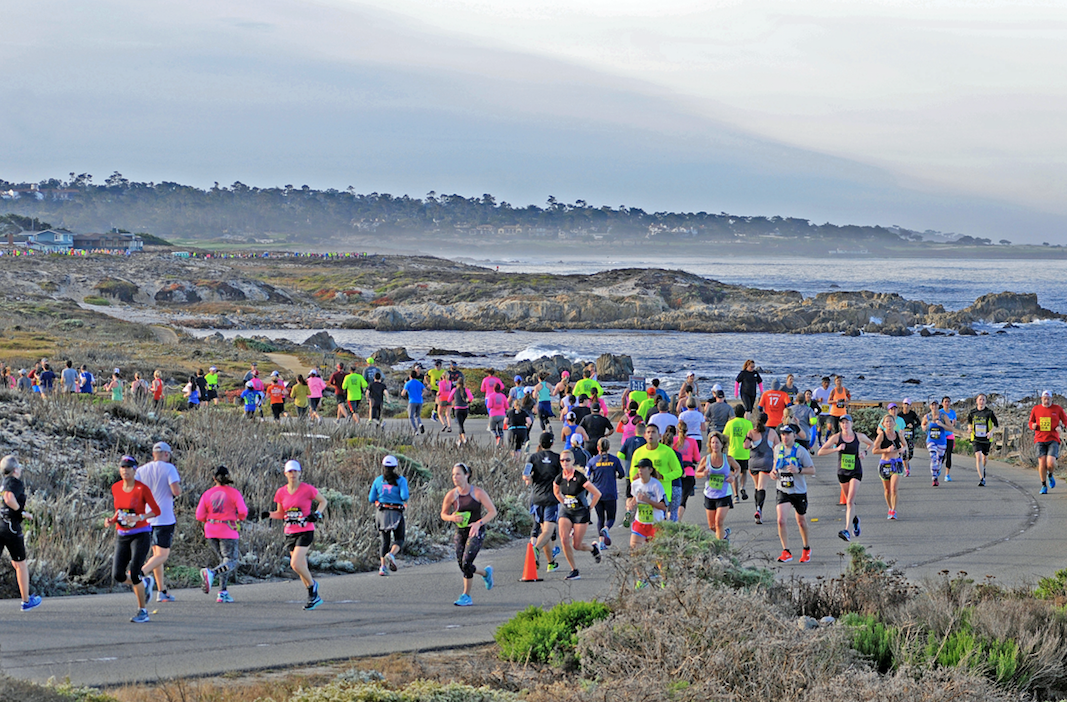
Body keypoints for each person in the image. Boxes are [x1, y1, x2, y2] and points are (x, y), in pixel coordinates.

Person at [106, 455, 161, 623]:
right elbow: (119, 510)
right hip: (122, 535)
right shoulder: (116, 487)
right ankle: (145, 585)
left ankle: (142, 611)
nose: (125, 470)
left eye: (128, 467)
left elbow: (156, 511)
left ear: (135, 469)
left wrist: (140, 517)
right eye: (122, 467)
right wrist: (112, 520)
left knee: (135, 572)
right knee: (118, 575)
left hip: (141, 533)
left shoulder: (142, 488)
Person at [269, 460, 328, 610]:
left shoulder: (307, 489)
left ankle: (313, 587)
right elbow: (281, 513)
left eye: (295, 471)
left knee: (294, 564)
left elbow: (323, 501)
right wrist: (268, 514)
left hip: (306, 530)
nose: (293, 474)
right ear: (285, 474)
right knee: (302, 565)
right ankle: (313, 597)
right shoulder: (281, 492)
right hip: (290, 532)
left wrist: (317, 514)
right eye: (290, 471)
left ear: (300, 473)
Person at [440, 462, 496, 606]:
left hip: (476, 531)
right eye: (453, 475)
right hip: (461, 531)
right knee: (462, 565)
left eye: (458, 474)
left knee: (466, 563)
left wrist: (479, 523)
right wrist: (451, 518)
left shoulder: (477, 492)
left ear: (466, 475)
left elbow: (492, 511)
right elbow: (443, 514)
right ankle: (485, 573)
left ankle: (466, 596)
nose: (455, 477)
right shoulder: (452, 495)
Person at [137, 442, 182, 603]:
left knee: (156, 555)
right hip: (164, 517)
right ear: (166, 454)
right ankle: (141, 574)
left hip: (147, 517)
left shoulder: (142, 470)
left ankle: (162, 591)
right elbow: (176, 491)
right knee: (163, 555)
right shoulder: (169, 468)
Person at [196, 466, 248, 603]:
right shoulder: (234, 493)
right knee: (230, 561)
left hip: (211, 530)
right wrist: (238, 519)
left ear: (214, 478)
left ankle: (223, 592)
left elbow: (199, 515)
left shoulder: (207, 494)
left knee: (223, 561)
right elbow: (243, 511)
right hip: (228, 530)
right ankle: (211, 573)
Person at [820, 414, 874, 542]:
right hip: (842, 472)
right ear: (840, 425)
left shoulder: (858, 436)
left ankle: (847, 530)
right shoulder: (836, 437)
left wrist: (864, 452)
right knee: (849, 503)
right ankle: (855, 520)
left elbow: (872, 444)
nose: (845, 425)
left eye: (847, 422)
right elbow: (821, 451)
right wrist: (836, 449)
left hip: (856, 472)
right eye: (843, 423)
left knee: (850, 502)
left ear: (852, 423)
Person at [553, 449, 602, 580]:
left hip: (581, 512)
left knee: (577, 545)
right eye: (562, 460)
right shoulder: (559, 478)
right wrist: (564, 502)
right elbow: (556, 492)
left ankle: (593, 549)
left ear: (573, 461)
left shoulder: (580, 478)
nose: (565, 463)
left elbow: (597, 494)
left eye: (568, 460)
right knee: (564, 539)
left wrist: (589, 508)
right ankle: (574, 569)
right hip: (567, 511)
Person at [769, 425, 815, 563]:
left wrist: (798, 470)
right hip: (783, 489)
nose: (785, 437)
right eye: (782, 434)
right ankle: (786, 551)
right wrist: (773, 473)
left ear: (794, 436)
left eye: (788, 434)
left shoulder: (801, 452)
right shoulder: (777, 449)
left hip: (798, 491)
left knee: (801, 521)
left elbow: (812, 470)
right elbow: (775, 464)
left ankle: (806, 548)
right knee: (781, 520)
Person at [2, 455, 42, 611]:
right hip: (10, 527)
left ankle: (27, 599)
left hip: (0, 524)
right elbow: (9, 497)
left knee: (15, 563)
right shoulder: (14, 482)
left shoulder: (3, 483)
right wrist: (22, 512)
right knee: (21, 564)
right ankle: (26, 601)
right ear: (15, 470)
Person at [525, 432, 563, 571]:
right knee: (548, 531)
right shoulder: (557, 458)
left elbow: (526, 474)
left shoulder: (533, 457)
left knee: (543, 531)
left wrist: (528, 479)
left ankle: (551, 563)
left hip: (536, 498)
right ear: (552, 443)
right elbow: (561, 479)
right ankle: (535, 550)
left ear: (540, 443)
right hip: (551, 498)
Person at [630, 424, 683, 522]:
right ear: (644, 435)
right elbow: (632, 474)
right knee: (644, 524)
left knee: (658, 525)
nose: (650, 435)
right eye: (648, 432)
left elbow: (678, 471)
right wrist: (636, 477)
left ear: (659, 435)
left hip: (661, 495)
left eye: (653, 432)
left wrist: (663, 476)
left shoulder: (667, 451)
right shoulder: (638, 452)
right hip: (644, 495)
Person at [369, 455, 409, 576]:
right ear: (395, 466)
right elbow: (404, 497)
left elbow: (371, 498)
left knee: (384, 541)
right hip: (396, 512)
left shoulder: (378, 480)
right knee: (399, 538)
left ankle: (382, 567)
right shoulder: (401, 480)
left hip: (382, 513)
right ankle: (391, 554)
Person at [695, 432, 738, 540]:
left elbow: (738, 468)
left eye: (717, 443)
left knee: (718, 522)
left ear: (722, 444)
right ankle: (724, 535)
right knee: (712, 526)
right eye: (713, 443)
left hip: (724, 494)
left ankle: (719, 550)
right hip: (709, 494)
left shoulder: (728, 459)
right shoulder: (706, 459)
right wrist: (703, 474)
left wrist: (733, 477)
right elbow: (697, 473)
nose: (715, 445)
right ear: (710, 444)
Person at [587, 438, 625, 550]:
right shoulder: (614, 460)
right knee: (611, 517)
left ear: (597, 448)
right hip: (610, 492)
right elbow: (622, 474)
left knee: (600, 518)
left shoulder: (592, 461)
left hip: (597, 493)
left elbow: (587, 475)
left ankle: (601, 542)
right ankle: (606, 529)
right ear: (608, 448)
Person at [1029, 391, 1067, 494]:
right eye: (1044, 399)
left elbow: (1065, 421)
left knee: (1050, 463)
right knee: (1042, 463)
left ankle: (1050, 474)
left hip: (1053, 439)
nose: (1046, 401)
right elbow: (1030, 422)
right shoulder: (1036, 409)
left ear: (1051, 399)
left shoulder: (1057, 409)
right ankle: (1043, 485)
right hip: (1039, 439)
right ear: (1041, 399)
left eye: (1048, 399)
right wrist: (1033, 426)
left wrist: (1061, 427)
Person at [745, 412, 779, 525]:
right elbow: (778, 448)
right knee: (762, 487)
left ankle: (757, 512)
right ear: (767, 420)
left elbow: (745, 446)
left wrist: (749, 440)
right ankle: (759, 509)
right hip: (766, 462)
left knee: (756, 487)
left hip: (754, 462)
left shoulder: (751, 432)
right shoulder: (772, 432)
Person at [627, 458, 667, 549]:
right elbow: (634, 498)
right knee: (634, 552)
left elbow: (663, 507)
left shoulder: (656, 485)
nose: (640, 470)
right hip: (640, 522)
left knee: (659, 557)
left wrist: (647, 500)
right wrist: (630, 504)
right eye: (639, 468)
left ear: (650, 470)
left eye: (643, 468)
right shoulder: (635, 484)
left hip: (655, 523)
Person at [872, 414, 905, 519]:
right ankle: (890, 508)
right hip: (884, 464)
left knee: (894, 488)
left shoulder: (898, 434)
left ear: (894, 423)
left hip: (896, 463)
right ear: (883, 424)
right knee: (887, 490)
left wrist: (903, 449)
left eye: (891, 421)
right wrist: (886, 450)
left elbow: (905, 445)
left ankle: (894, 510)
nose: (889, 424)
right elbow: (874, 450)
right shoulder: (881, 436)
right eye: (886, 422)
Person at [668, 422, 699, 519]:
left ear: (677, 430)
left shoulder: (673, 441)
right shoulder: (693, 441)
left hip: (675, 472)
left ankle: (671, 521)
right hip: (688, 472)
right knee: (682, 501)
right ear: (687, 430)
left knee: (672, 502)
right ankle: (678, 520)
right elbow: (697, 458)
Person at [967, 394, 999, 486]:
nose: (981, 401)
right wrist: (969, 428)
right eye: (980, 399)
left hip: (986, 438)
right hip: (975, 438)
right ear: (976, 401)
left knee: (984, 458)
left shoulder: (989, 412)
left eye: (983, 400)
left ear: (985, 401)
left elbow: (996, 424)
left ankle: (983, 468)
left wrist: (991, 432)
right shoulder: (972, 412)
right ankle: (982, 479)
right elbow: (969, 422)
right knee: (978, 456)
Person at [724, 404, 753, 501]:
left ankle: (736, 496)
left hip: (733, 452)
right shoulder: (748, 423)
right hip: (744, 452)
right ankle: (743, 487)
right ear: (744, 413)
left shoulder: (730, 423)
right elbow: (751, 436)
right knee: (743, 472)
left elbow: (725, 437)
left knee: (734, 473)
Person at [922, 401, 953, 487]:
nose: (934, 406)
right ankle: (934, 478)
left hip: (941, 441)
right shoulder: (927, 416)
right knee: (933, 458)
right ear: (930, 406)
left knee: (939, 460)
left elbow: (951, 429)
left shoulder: (943, 416)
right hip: (931, 440)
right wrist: (924, 427)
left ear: (938, 406)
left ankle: (937, 470)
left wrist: (942, 425)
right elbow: (923, 424)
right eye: (932, 405)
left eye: (935, 405)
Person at [449, 377, 474, 446]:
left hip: (457, 409)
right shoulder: (466, 390)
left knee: (460, 425)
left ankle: (464, 439)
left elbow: (449, 399)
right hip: (465, 409)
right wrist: (468, 401)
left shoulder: (454, 390)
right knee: (461, 424)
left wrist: (454, 400)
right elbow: (471, 398)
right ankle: (459, 441)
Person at [899, 398, 920, 477]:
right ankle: (906, 470)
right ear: (902, 405)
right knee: (904, 453)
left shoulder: (912, 414)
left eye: (908, 405)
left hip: (910, 436)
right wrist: (901, 428)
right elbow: (896, 424)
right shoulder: (900, 415)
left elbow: (919, 423)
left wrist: (913, 426)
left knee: (910, 454)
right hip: (902, 437)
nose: (906, 406)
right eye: (905, 404)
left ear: (910, 406)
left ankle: (906, 463)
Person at [401, 370, 426, 436]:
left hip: (412, 401)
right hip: (420, 401)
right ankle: (420, 424)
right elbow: (425, 390)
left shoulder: (408, 383)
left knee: (411, 416)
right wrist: (421, 394)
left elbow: (403, 393)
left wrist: (404, 393)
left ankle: (415, 430)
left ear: (410, 376)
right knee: (417, 415)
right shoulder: (419, 383)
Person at [940, 397, 957, 481]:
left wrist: (953, 423)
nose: (947, 403)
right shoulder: (940, 413)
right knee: (942, 454)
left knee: (949, 455)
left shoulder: (952, 413)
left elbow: (953, 424)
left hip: (950, 436)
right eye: (945, 401)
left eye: (948, 402)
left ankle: (947, 474)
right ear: (942, 403)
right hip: (941, 436)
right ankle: (939, 467)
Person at [485, 381, 507, 446]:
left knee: (492, 429)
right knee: (501, 430)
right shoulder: (503, 396)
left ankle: (497, 437)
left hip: (493, 415)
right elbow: (507, 406)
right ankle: (501, 443)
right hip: (502, 415)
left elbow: (489, 405)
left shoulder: (491, 396)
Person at [813, 376, 833, 446]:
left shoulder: (831, 390)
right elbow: (812, 400)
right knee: (819, 428)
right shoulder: (817, 390)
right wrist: (818, 400)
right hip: (820, 412)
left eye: (828, 383)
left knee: (830, 426)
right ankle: (819, 441)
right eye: (825, 383)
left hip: (829, 412)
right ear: (822, 383)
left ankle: (826, 438)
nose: (826, 384)